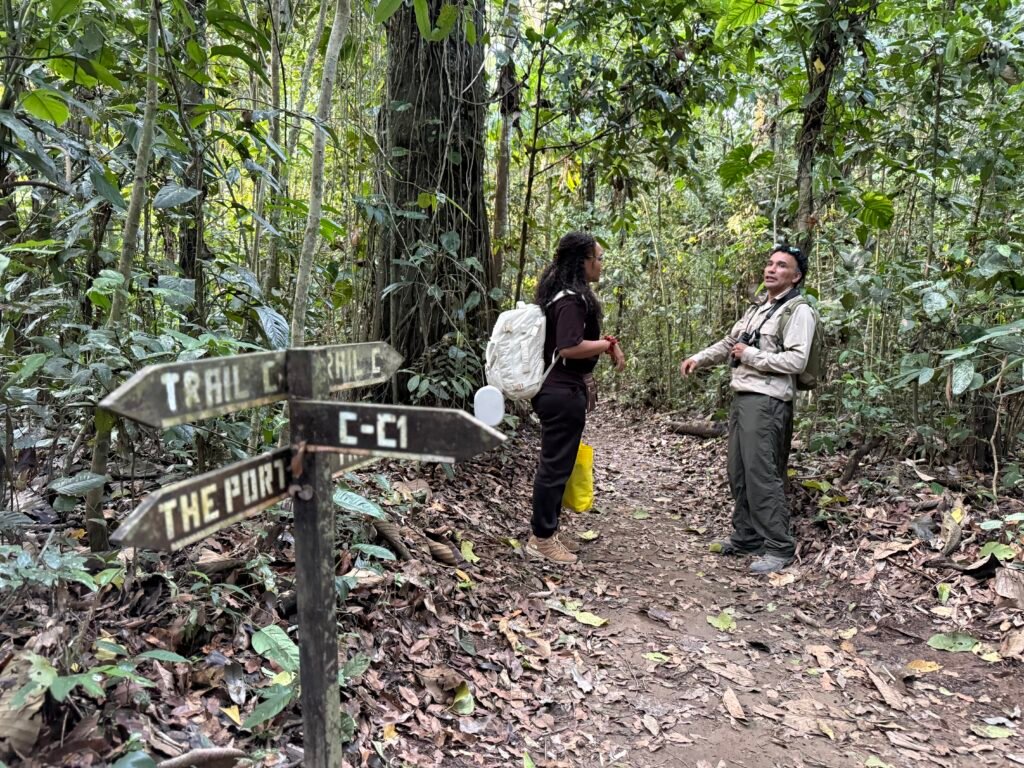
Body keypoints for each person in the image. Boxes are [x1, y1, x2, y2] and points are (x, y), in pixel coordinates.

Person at [679, 243, 816, 574]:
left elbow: (797, 360)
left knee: (761, 473)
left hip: (768, 401)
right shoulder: (758, 309)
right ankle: (746, 536)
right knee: (738, 471)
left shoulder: (799, 312)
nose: (771, 269)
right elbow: (731, 343)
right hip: (743, 397)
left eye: (781, 266)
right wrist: (699, 358)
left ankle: (779, 546)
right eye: (769, 263)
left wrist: (752, 356)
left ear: (796, 277)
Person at [526, 231, 626, 565]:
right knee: (555, 467)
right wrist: (606, 345)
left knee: (559, 463)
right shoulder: (570, 299)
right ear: (582, 261)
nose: (600, 265)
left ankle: (546, 533)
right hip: (561, 390)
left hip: (560, 389)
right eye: (598, 258)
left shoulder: (561, 295)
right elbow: (569, 346)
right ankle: (541, 538)